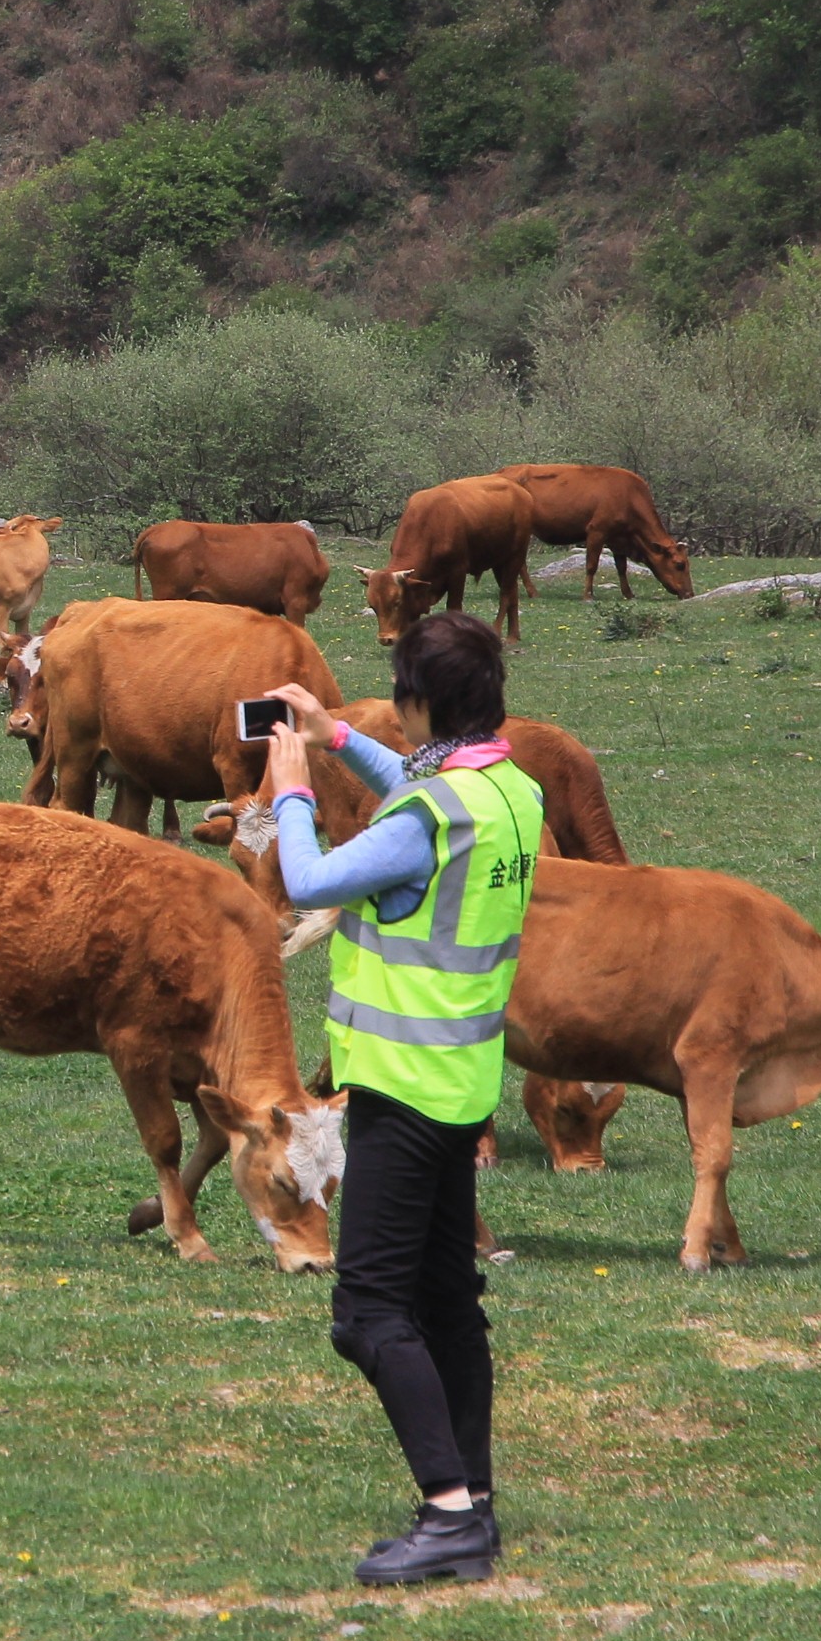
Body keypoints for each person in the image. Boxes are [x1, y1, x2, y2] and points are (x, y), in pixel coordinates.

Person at [259, 611, 543, 1586]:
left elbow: (309, 878)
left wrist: (293, 789)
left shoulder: (428, 818)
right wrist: (336, 737)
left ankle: (449, 1514)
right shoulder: (510, 792)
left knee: (368, 1313)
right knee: (449, 1303)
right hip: (461, 1084)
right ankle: (477, 1501)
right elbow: (423, 792)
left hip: (399, 1089)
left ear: (418, 704)